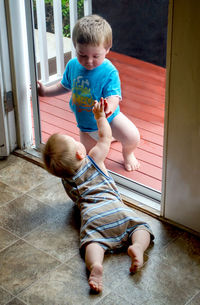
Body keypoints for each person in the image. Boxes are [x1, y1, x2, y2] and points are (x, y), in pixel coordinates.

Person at [42, 98, 154, 293]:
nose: (79, 140)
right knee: (141, 227)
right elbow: (105, 137)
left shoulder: (66, 179)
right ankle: (137, 247)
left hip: (92, 216)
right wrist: (100, 116)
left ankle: (95, 265)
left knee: (91, 242)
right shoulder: (93, 159)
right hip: (115, 207)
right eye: (76, 141)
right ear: (79, 153)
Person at [38, 14, 140, 172]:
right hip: (85, 125)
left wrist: (108, 109)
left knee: (132, 137)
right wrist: (45, 92)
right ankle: (108, 138)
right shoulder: (73, 65)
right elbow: (64, 86)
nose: (89, 61)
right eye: (82, 55)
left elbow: (114, 96)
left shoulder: (109, 71)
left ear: (107, 49)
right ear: (75, 48)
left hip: (109, 118)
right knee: (90, 160)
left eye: (95, 56)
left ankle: (127, 153)